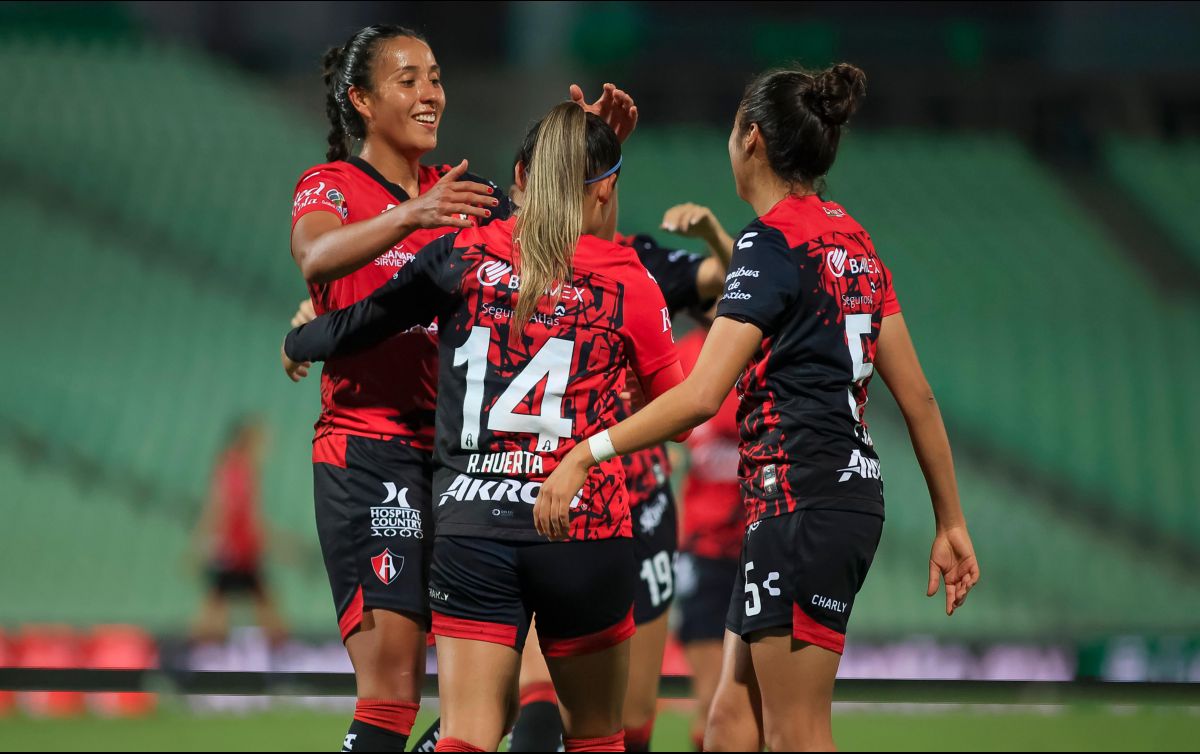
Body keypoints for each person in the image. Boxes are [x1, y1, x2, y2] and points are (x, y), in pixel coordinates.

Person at [534, 63, 981, 752]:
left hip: (802, 504)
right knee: (730, 726)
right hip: (832, 502)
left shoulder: (770, 243)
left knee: (798, 734)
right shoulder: (852, 240)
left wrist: (587, 453)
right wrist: (949, 519)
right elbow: (916, 395)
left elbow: (699, 397)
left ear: (752, 140)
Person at [283, 103, 685, 753]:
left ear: (523, 176)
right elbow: (683, 414)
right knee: (596, 737)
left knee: (467, 735)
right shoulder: (626, 282)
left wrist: (303, 337)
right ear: (606, 188)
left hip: (473, 529)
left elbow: (369, 319)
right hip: (580, 527)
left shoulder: (463, 255)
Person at [671, 321, 744, 752]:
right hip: (702, 551)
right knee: (714, 701)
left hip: (759, 548)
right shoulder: (684, 356)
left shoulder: (764, 353)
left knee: (751, 704)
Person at [190, 415, 288, 645]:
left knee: (221, 603)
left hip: (242, 549)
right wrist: (210, 541)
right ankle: (195, 654)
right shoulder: (236, 469)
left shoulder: (239, 468)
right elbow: (224, 508)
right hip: (237, 551)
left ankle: (198, 652)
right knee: (223, 606)